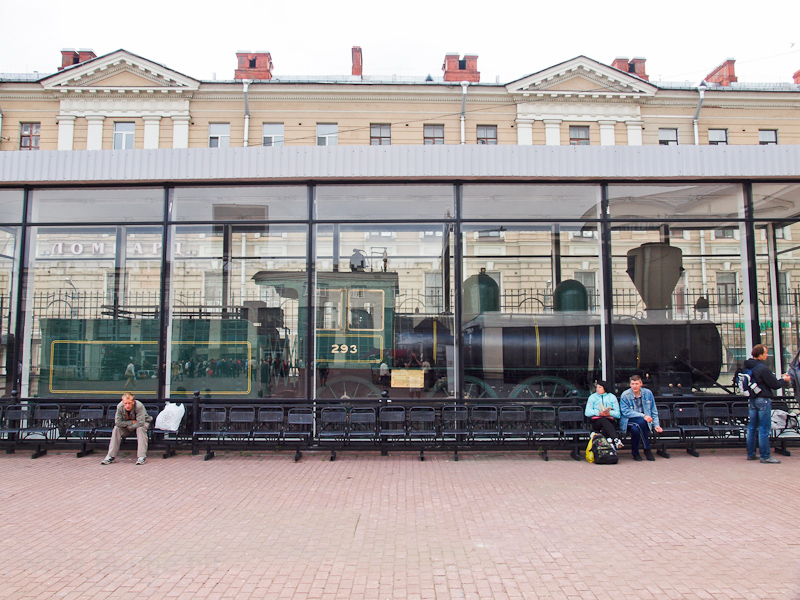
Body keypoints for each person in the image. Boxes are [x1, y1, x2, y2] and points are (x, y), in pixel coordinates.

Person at [744, 344, 790, 464]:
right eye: (765, 353)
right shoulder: (762, 369)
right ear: (759, 355)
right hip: (763, 400)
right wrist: (783, 380)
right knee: (764, 428)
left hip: (752, 399)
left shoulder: (747, 367)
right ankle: (765, 456)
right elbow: (774, 384)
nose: (767, 355)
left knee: (752, 427)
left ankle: (751, 453)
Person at [101, 392, 152, 465]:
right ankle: (110, 456)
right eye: (125, 403)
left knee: (141, 429)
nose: (127, 405)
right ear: (122, 402)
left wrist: (130, 426)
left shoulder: (139, 406)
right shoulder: (119, 406)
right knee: (116, 428)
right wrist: (131, 423)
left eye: (129, 403)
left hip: (142, 423)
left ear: (133, 402)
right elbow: (118, 422)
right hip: (128, 425)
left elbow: (140, 422)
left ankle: (141, 457)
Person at [619, 375, 662, 461]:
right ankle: (647, 449)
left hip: (643, 422)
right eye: (632, 384)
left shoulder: (648, 393)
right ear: (630, 385)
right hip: (628, 421)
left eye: (637, 384)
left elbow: (653, 410)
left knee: (636, 429)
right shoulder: (625, 395)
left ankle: (635, 452)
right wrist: (644, 416)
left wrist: (656, 425)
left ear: (641, 384)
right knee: (641, 421)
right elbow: (626, 412)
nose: (634, 386)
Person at [584, 380, 622, 449]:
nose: (597, 389)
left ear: (605, 388)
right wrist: (598, 413)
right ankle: (615, 440)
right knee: (603, 420)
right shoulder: (592, 397)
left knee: (605, 428)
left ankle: (607, 447)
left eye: (600, 387)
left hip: (610, 421)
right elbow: (587, 412)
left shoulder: (612, 397)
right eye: (597, 387)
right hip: (597, 422)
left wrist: (609, 413)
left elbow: (618, 414)